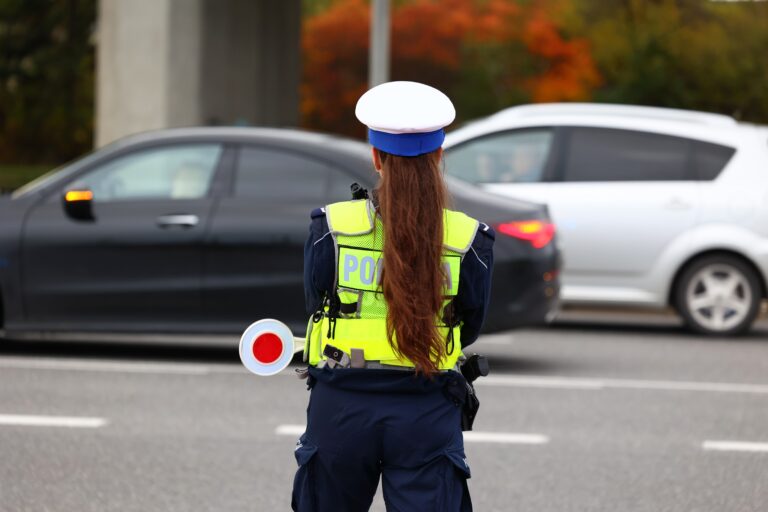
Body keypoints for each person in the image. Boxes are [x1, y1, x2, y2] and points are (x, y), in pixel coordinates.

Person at [292, 81, 495, 512]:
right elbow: (469, 325)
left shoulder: (330, 226)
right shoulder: (468, 238)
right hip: (428, 404)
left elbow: (316, 306)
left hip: (341, 404)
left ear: (375, 157)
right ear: (439, 156)